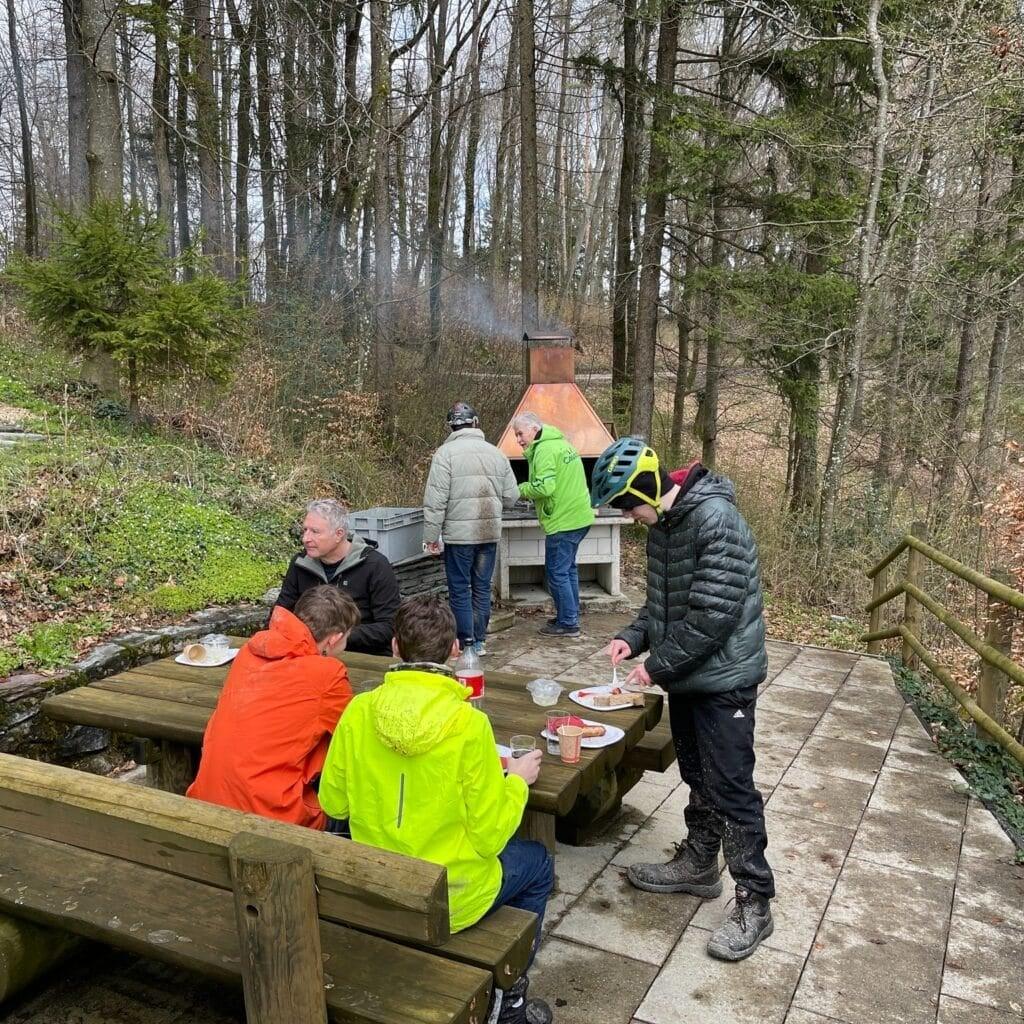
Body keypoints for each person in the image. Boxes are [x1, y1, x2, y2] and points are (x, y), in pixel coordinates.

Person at [318, 595, 554, 1024]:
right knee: (537, 863)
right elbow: (489, 836)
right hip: (452, 897)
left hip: (379, 886)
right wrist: (517, 781)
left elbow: (333, 803)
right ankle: (512, 997)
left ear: (394, 648)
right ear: (454, 652)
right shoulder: (469, 724)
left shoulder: (358, 710)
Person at [590, 436, 775, 962]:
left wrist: (653, 667)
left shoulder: (715, 519)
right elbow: (665, 605)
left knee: (732, 785)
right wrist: (634, 636)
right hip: (691, 677)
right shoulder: (665, 526)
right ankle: (699, 863)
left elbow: (711, 617)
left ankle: (755, 901)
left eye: (628, 505)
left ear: (647, 486)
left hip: (725, 680)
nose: (628, 517)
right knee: (696, 773)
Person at [187, 585, 360, 830]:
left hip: (209, 798)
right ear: (334, 638)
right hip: (272, 815)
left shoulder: (250, 651)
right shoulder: (328, 675)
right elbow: (355, 734)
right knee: (349, 804)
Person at [422, 401, 520, 656]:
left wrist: (430, 537)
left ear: (451, 427)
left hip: (459, 537)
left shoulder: (445, 455)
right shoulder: (496, 453)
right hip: (489, 533)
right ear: (475, 423)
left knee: (459, 589)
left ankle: (466, 643)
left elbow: (436, 501)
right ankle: (479, 641)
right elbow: (512, 496)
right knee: (481, 586)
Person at [277, 498, 401, 656]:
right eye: (305, 530)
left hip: (364, 656)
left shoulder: (376, 565)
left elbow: (390, 625)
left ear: (339, 534)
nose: (305, 539)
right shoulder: (300, 564)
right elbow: (280, 613)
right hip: (307, 653)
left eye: (315, 532)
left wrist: (337, 637)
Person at [512, 412, 594, 638]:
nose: (518, 440)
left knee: (556, 573)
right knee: (568, 570)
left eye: (520, 434)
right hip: (580, 516)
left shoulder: (545, 450)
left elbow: (544, 487)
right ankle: (570, 614)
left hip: (563, 520)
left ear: (534, 429)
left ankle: (568, 623)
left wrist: (519, 490)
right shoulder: (561, 444)